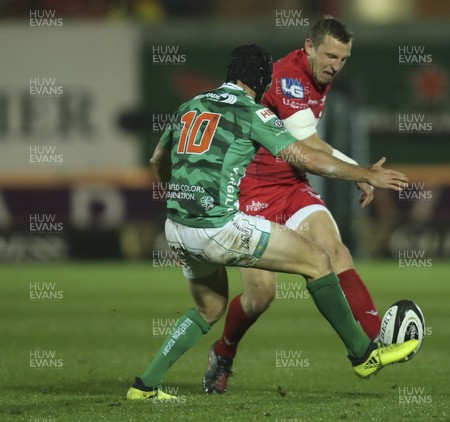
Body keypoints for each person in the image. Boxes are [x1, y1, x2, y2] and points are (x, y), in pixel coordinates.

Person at [126, 44, 417, 400]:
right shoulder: (251, 111)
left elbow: (158, 158)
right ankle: (363, 354)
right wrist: (364, 174)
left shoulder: (191, 105)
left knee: (210, 308)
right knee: (317, 260)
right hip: (220, 229)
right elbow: (305, 157)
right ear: (262, 81)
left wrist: (175, 196)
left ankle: (145, 386)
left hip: (177, 229)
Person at [203, 16, 386, 395]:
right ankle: (223, 352)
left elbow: (304, 153)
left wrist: (358, 173)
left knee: (336, 251)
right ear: (309, 47)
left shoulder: (320, 75)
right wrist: (361, 173)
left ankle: (376, 344)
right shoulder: (288, 76)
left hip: (291, 187)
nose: (336, 65)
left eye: (344, 58)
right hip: (251, 191)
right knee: (260, 296)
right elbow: (309, 148)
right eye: (330, 55)